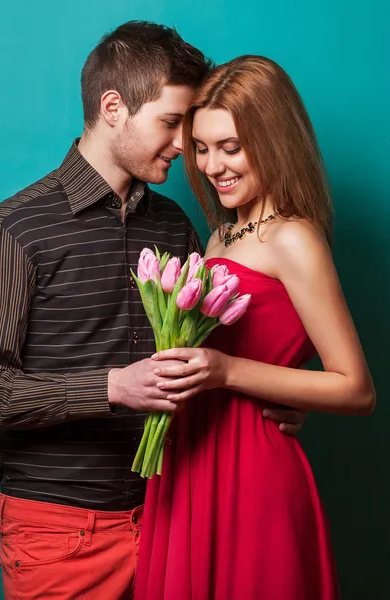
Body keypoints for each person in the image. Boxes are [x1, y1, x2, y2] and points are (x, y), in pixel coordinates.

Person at [0, 24, 305, 600]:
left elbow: (207, 360)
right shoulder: (14, 230)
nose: (181, 145)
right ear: (113, 107)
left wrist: (273, 404)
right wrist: (114, 387)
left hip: (181, 514)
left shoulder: (176, 226)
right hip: (61, 529)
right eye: (171, 124)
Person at [135, 55, 376, 600]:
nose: (213, 165)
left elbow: (356, 388)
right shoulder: (222, 234)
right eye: (201, 147)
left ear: (272, 140)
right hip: (192, 461)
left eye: (231, 147)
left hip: (251, 473)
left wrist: (226, 370)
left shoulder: (294, 238)